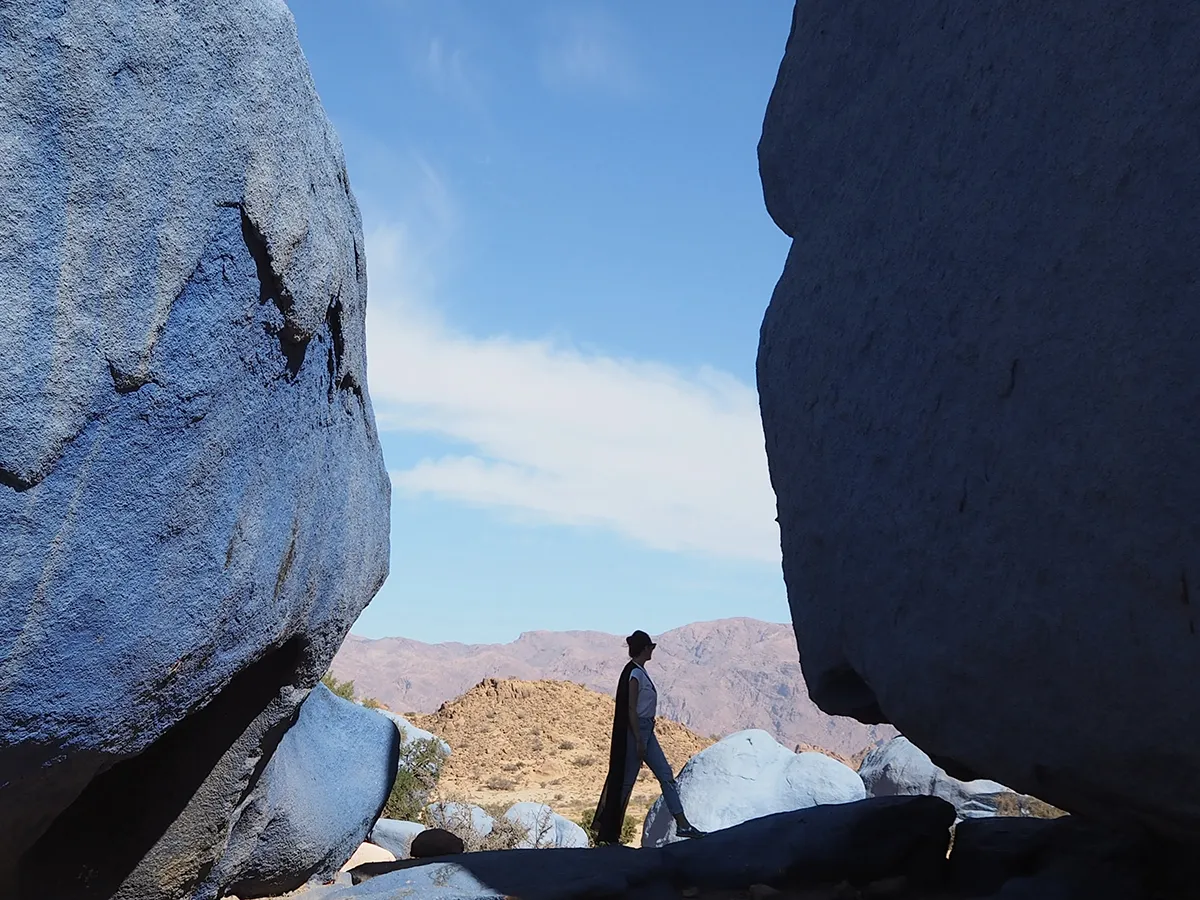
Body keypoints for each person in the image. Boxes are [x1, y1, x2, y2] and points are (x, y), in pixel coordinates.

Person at [592, 630, 704, 844]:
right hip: (637, 731)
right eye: (650, 647)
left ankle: (682, 824)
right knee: (625, 783)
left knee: (665, 774)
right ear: (645, 649)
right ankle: (609, 833)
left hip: (646, 730)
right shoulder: (634, 674)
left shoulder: (639, 672)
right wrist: (639, 739)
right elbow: (631, 709)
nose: (652, 650)